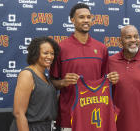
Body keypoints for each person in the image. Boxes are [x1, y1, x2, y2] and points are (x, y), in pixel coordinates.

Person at [49, 3, 119, 131]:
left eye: (89, 17)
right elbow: (51, 82)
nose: (86, 20)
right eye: (81, 17)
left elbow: (105, 81)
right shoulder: (60, 48)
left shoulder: (101, 48)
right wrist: (63, 82)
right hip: (69, 116)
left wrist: (112, 79)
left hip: (96, 116)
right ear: (72, 20)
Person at [10, 37, 60, 131]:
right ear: (36, 54)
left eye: (52, 53)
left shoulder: (45, 77)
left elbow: (43, 103)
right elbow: (19, 113)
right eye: (45, 53)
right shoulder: (27, 74)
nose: (49, 56)